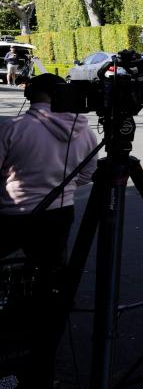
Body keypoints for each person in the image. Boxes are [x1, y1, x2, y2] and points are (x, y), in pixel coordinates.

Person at [0, 73, 99, 385]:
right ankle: (42, 347)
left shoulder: (13, 128)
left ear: (31, 94)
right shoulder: (84, 131)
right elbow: (87, 176)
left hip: (11, 214)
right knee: (49, 277)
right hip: (60, 213)